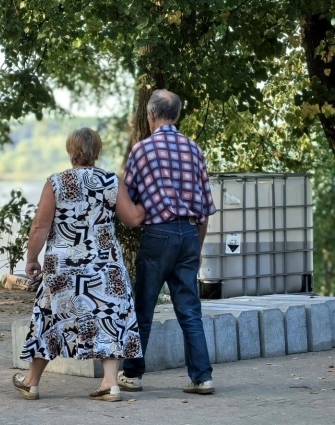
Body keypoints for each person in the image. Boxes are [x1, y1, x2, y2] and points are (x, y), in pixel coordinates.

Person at [12, 128, 145, 402]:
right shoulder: (110, 181)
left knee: (48, 318)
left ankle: (31, 382)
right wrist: (147, 206)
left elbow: (40, 225)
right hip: (104, 266)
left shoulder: (56, 182)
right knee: (108, 316)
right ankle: (110, 383)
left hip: (64, 266)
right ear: (97, 151)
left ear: (70, 151)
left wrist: (31, 258)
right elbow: (132, 219)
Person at [118, 89, 217, 395]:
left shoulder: (141, 150)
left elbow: (130, 202)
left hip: (158, 235)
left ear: (151, 115)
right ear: (177, 115)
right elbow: (205, 209)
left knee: (144, 307)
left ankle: (133, 374)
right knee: (190, 309)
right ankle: (202, 377)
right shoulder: (194, 149)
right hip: (189, 233)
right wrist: (195, 248)